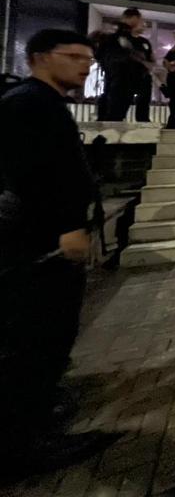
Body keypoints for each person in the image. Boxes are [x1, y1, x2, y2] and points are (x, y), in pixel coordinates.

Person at [0, 30, 116, 478]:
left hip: (44, 236)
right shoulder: (28, 103)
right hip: (40, 241)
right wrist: (69, 226)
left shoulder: (44, 102)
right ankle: (22, 444)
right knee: (36, 338)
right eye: (75, 57)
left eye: (89, 59)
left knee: (48, 336)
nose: (85, 66)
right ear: (40, 58)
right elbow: (32, 173)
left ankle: (35, 413)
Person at [95, 7, 153, 123]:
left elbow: (150, 59)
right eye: (140, 20)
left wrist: (147, 65)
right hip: (119, 76)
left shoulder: (142, 42)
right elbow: (101, 54)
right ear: (133, 18)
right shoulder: (113, 36)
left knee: (140, 99)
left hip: (138, 76)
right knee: (115, 105)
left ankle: (142, 120)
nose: (142, 24)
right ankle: (109, 122)